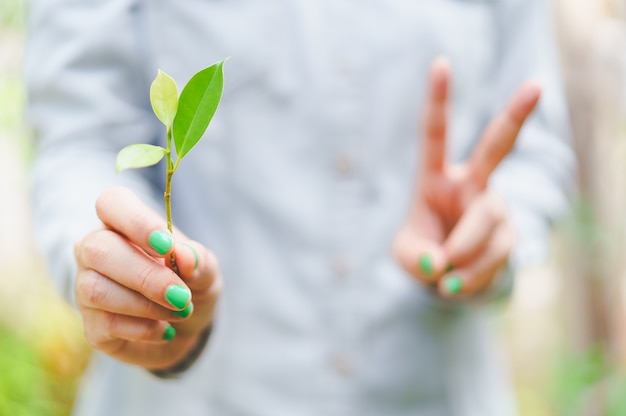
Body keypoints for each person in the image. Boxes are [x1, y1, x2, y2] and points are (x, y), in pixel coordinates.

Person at [25, 0, 575, 415]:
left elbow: (535, 152)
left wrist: (487, 236)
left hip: (431, 390)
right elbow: (82, 137)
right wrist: (126, 273)